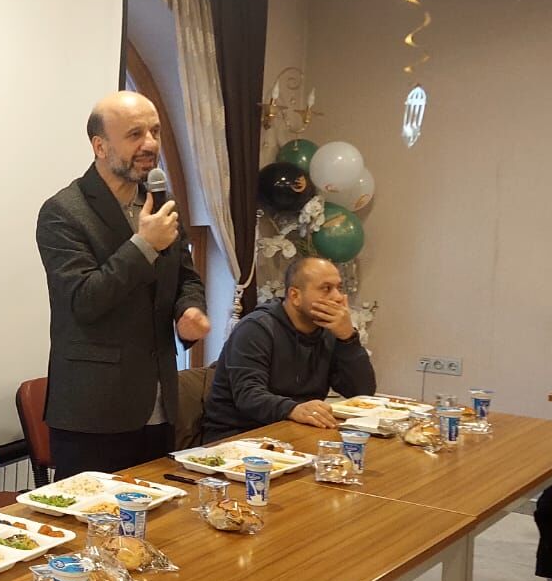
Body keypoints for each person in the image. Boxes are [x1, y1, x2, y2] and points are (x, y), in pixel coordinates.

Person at [36, 91, 209, 478]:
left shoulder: (161, 202)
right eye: (135, 134)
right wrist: (144, 245)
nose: (150, 144)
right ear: (100, 146)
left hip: (160, 403)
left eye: (155, 132)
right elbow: (85, 300)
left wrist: (190, 309)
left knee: (159, 510)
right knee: (94, 515)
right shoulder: (63, 213)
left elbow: (185, 276)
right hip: (95, 412)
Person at [202, 254, 375, 440]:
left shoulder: (328, 331)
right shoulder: (256, 328)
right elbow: (249, 395)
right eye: (326, 289)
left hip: (295, 430)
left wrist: (348, 338)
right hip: (239, 436)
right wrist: (293, 409)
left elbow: (362, 392)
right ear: (295, 296)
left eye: (339, 288)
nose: (338, 297)